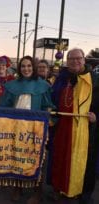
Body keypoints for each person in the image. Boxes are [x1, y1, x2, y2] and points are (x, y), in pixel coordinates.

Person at [0, 55, 55, 204]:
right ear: (19, 68)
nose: (26, 69)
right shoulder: (12, 85)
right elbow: (3, 106)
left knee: (38, 160)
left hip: (36, 130)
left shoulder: (43, 86)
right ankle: (18, 187)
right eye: (23, 66)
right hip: (16, 129)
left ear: (34, 67)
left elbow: (49, 106)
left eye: (29, 66)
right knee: (16, 157)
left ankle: (37, 191)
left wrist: (49, 117)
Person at [49, 48, 99, 203]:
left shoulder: (95, 80)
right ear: (67, 61)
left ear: (84, 59)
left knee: (84, 163)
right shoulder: (61, 78)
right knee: (60, 158)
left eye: (78, 58)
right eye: (71, 58)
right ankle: (59, 189)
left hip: (86, 130)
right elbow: (53, 98)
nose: (75, 61)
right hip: (62, 126)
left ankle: (82, 193)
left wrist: (96, 116)